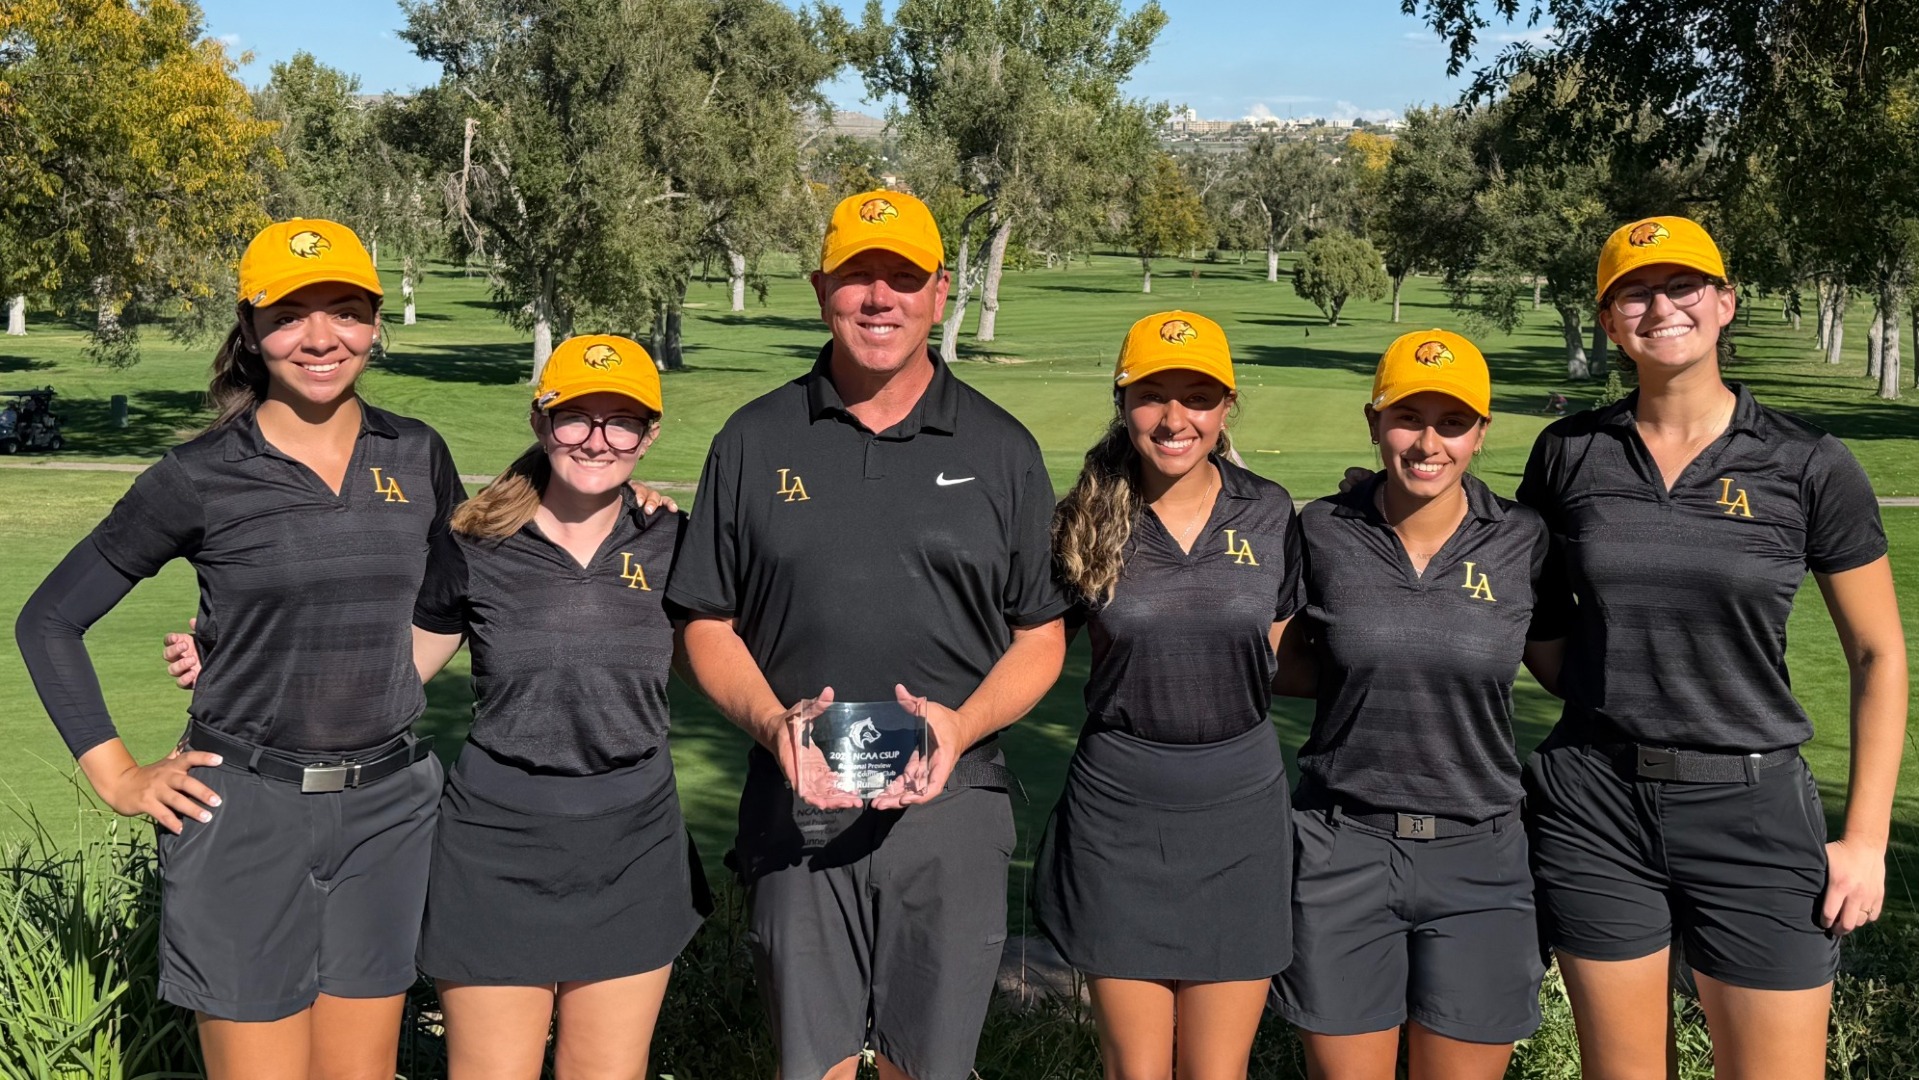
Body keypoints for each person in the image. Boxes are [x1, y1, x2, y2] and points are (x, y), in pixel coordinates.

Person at [15, 219, 463, 1080]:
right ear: (251, 331)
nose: (321, 337)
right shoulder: (199, 475)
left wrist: (378, 684)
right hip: (244, 811)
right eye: (290, 314)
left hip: (389, 812)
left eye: (345, 310)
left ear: (375, 321)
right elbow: (49, 621)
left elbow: (452, 597)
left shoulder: (416, 453)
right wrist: (116, 773)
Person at [664, 189, 1070, 1080]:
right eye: (856, 278)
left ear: (939, 290)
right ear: (820, 290)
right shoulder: (753, 438)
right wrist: (775, 727)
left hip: (952, 802)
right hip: (795, 797)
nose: (877, 298)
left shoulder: (1001, 447)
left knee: (929, 1066)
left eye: (901, 278)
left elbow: (1040, 634)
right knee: (810, 1066)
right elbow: (705, 621)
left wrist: (960, 727)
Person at [1517, 216, 1907, 1080]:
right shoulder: (1567, 454)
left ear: (1724, 303)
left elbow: (1878, 655)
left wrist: (1867, 837)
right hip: (1594, 806)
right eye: (1633, 292)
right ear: (1610, 319)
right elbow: (1537, 626)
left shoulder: (1806, 463)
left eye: (1681, 286)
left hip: (1753, 807)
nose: (1660, 307)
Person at [408, 335, 707, 1080]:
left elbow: (748, 657)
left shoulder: (677, 542)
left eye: (621, 421)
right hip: (495, 847)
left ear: (650, 434)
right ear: (541, 423)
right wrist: (236, 664)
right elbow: (387, 674)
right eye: (575, 417)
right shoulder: (473, 545)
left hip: (632, 844)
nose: (597, 441)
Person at [1271, 328, 1567, 1080]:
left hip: (1481, 856)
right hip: (1343, 847)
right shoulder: (1321, 530)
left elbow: (1570, 671)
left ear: (1479, 434)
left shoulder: (1522, 541)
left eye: (1452, 422)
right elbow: (1281, 664)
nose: (1427, 441)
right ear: (1373, 422)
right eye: (1407, 417)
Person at [1033, 310, 1301, 1080]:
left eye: (1198, 396)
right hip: (1120, 812)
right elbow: (1029, 652)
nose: (1175, 418)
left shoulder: (1270, 511)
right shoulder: (1080, 521)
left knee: (1218, 1071)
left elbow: (1275, 654)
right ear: (1121, 403)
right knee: (1136, 1071)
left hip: (1240, 808)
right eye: (1153, 394)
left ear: (1226, 406)